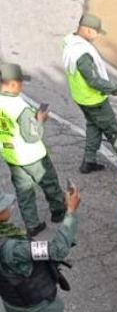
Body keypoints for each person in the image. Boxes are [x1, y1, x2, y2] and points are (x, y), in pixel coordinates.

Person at [0, 63, 66, 237]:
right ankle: (58, 211)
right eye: (21, 82)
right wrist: (40, 119)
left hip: (12, 156)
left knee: (24, 192)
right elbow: (32, 135)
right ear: (13, 84)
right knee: (49, 182)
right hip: (32, 155)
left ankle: (32, 224)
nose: (22, 86)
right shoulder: (19, 106)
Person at [61, 14, 117, 173]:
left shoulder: (69, 40)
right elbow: (94, 81)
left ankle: (89, 161)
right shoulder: (82, 54)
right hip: (94, 100)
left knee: (94, 126)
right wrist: (114, 87)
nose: (97, 35)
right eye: (96, 32)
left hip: (80, 97)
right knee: (112, 128)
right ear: (87, 30)